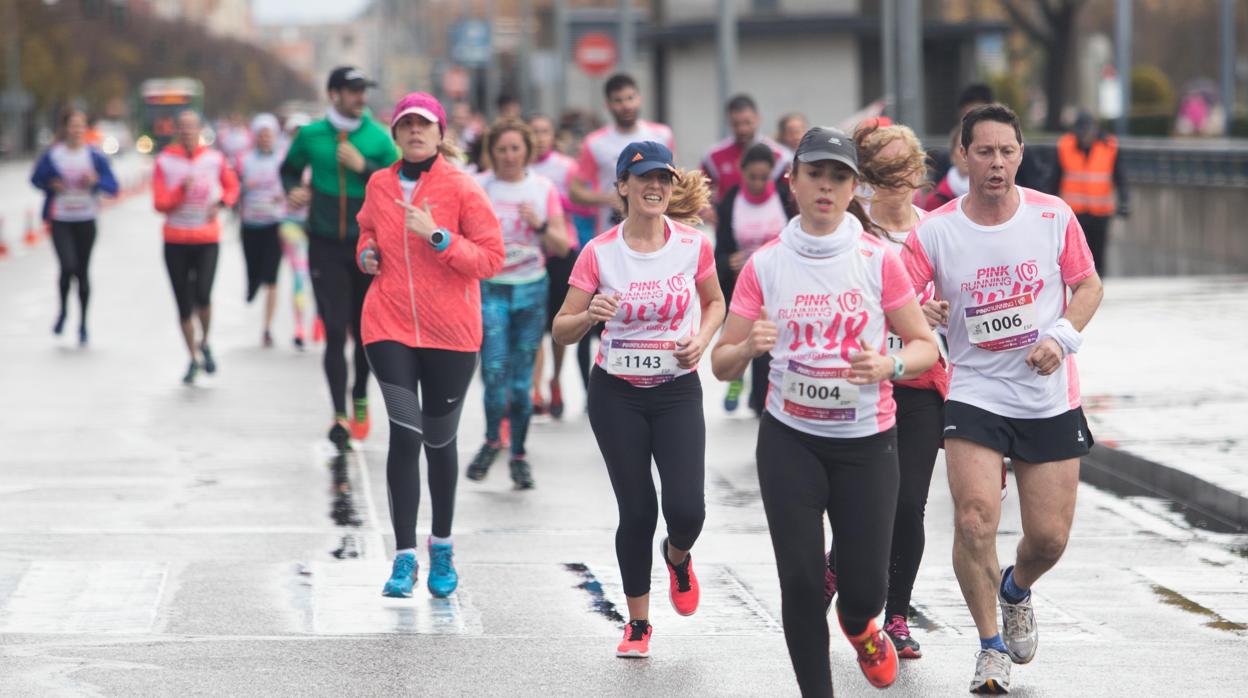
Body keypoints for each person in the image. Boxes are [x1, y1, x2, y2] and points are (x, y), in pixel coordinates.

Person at [710, 127, 938, 696]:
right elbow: (720, 363)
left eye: (839, 177)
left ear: (854, 187)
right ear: (792, 181)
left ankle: (860, 627)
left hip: (867, 443)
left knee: (865, 592)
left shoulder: (878, 260)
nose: (826, 187)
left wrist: (888, 365)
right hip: (791, 441)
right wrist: (748, 347)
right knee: (803, 585)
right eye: (815, 174)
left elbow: (924, 346)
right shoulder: (766, 264)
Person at [902, 104, 1103, 693]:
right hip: (974, 390)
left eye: (1007, 151)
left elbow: (1088, 285)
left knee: (1049, 538)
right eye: (984, 151)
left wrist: (1061, 337)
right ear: (963, 155)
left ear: (1020, 155)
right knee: (973, 520)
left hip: (1045, 395)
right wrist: (921, 311)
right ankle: (989, 647)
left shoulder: (1052, 215)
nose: (996, 163)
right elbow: (898, 298)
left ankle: (1016, 589)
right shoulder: (934, 230)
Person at [553, 141, 723, 659]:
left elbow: (715, 302)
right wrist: (590, 316)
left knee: (687, 510)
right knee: (638, 509)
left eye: (663, 179)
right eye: (644, 178)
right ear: (623, 187)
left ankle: (678, 557)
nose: (655, 187)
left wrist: (702, 338)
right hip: (616, 395)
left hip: (676, 390)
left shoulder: (693, 245)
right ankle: (638, 623)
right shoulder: (599, 252)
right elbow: (561, 328)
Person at [355, 92, 504, 598]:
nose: (415, 131)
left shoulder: (462, 187)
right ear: (395, 134)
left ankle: (441, 546)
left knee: (439, 442)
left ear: (441, 134)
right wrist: (367, 253)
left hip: (452, 334)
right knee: (404, 434)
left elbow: (491, 258)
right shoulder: (379, 184)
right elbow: (367, 232)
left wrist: (438, 236)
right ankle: (403, 557)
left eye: (424, 124)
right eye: (406, 125)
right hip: (388, 325)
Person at [820, 123, 950, 662]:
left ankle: (896, 615)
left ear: (919, 171)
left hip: (921, 385)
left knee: (909, 503)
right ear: (867, 178)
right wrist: (905, 313)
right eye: (885, 171)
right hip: (862, 383)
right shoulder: (851, 233)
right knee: (865, 502)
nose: (898, 181)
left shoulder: (937, 230)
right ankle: (838, 562)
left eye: (906, 168)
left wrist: (940, 314)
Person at [281, 66, 399, 449]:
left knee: (364, 332)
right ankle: (338, 415)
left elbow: (397, 182)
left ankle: (360, 394)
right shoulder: (311, 135)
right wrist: (294, 190)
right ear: (333, 94)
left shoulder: (378, 137)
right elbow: (289, 169)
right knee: (334, 329)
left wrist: (363, 167)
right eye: (352, 90)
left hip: (368, 246)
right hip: (325, 243)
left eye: (363, 90)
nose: (360, 97)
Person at [464, 119, 571, 488]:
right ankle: (492, 439)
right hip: (491, 287)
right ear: (491, 152)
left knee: (522, 381)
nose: (509, 156)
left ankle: (519, 455)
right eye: (501, 149)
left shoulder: (542, 189)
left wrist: (539, 225)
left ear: (527, 151)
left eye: (515, 149)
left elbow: (562, 245)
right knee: (494, 371)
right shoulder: (478, 186)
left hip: (531, 290)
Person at [152, 110, 240, 384]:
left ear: (200, 130)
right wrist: (180, 190)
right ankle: (192, 358)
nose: (188, 132)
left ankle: (205, 341)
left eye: (192, 127)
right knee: (183, 304)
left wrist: (222, 203)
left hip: (206, 239)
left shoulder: (214, 159)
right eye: (183, 127)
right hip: (175, 240)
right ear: (176, 131)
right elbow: (159, 203)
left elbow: (232, 187)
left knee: (203, 295)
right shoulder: (165, 161)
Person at [713, 142, 797, 415]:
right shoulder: (731, 202)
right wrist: (728, 261)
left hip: (778, 286)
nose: (759, 183)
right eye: (753, 177)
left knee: (767, 346)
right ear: (742, 171)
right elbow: (719, 251)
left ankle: (761, 401)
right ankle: (736, 380)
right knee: (740, 343)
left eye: (764, 177)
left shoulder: (784, 199)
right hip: (742, 285)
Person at [30, 107, 119, 345]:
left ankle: (83, 324)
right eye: (73, 125)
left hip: (86, 219)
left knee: (82, 272)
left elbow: (113, 186)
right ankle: (63, 312)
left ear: (85, 129)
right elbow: (35, 178)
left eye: (81, 126)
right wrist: (51, 184)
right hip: (61, 219)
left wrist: (96, 181)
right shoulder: (54, 155)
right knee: (67, 266)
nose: (77, 130)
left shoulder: (94, 156)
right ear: (65, 128)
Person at [528, 114, 590, 418]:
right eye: (534, 132)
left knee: (558, 323)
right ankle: (536, 387)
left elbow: (584, 203)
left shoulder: (566, 167)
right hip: (530, 254)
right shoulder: (519, 167)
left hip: (563, 251)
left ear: (553, 136)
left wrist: (557, 203)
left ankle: (555, 379)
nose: (540, 137)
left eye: (545, 131)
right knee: (534, 326)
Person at [570, 73, 675, 235]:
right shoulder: (594, 142)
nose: (626, 106)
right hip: (610, 229)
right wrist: (609, 199)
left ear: (639, 98)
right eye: (618, 100)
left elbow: (673, 179)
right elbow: (575, 192)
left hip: (656, 229)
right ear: (608, 105)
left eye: (630, 98)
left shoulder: (662, 135)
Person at [1053, 111, 1128, 276]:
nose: (1084, 136)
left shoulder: (1109, 146)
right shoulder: (1065, 146)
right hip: (1074, 214)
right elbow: (1054, 178)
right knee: (1076, 256)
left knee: (1098, 255)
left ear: (1095, 129)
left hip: (1101, 213)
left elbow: (1120, 177)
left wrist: (1124, 202)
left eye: (1087, 131)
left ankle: (1098, 284)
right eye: (1081, 132)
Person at [237, 113, 286, 346]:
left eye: (269, 134)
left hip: (274, 223)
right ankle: (252, 283)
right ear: (255, 136)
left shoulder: (283, 159)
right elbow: (233, 187)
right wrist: (244, 187)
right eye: (261, 134)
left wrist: (283, 195)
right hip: (250, 223)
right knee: (253, 269)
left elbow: (292, 184)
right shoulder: (245, 160)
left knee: (272, 277)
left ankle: (267, 327)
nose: (265, 138)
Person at [701, 94, 790, 204]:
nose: (742, 129)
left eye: (747, 122)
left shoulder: (781, 156)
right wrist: (707, 209)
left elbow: (791, 196)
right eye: (736, 124)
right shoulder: (713, 156)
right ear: (728, 121)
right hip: (727, 214)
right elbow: (699, 193)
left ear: (758, 118)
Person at [279, 113, 314, 350]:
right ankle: (300, 327)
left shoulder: (318, 160)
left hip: (316, 225)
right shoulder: (282, 159)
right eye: (294, 132)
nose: (298, 137)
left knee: (321, 276)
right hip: (291, 224)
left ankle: (321, 319)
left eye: (302, 132)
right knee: (300, 275)